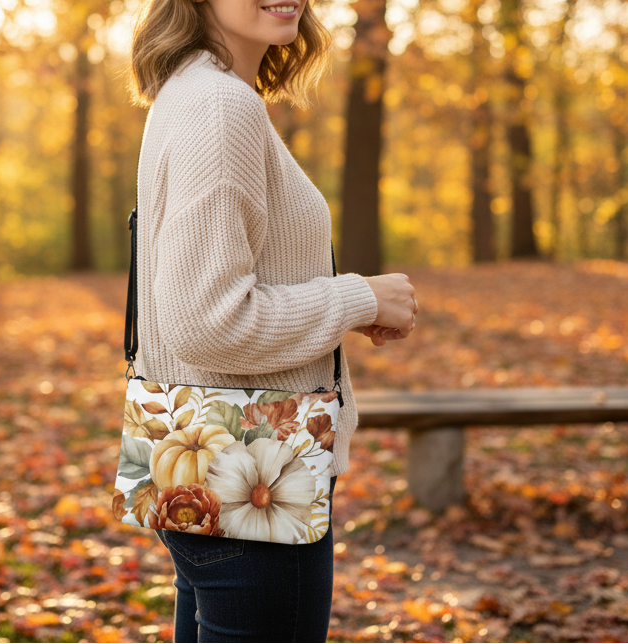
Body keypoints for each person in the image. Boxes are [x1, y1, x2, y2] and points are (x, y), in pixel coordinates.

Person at [128, 0, 418, 640]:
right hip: (255, 471)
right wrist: (356, 298)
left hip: (204, 463)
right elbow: (206, 321)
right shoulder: (221, 106)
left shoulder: (189, 89)